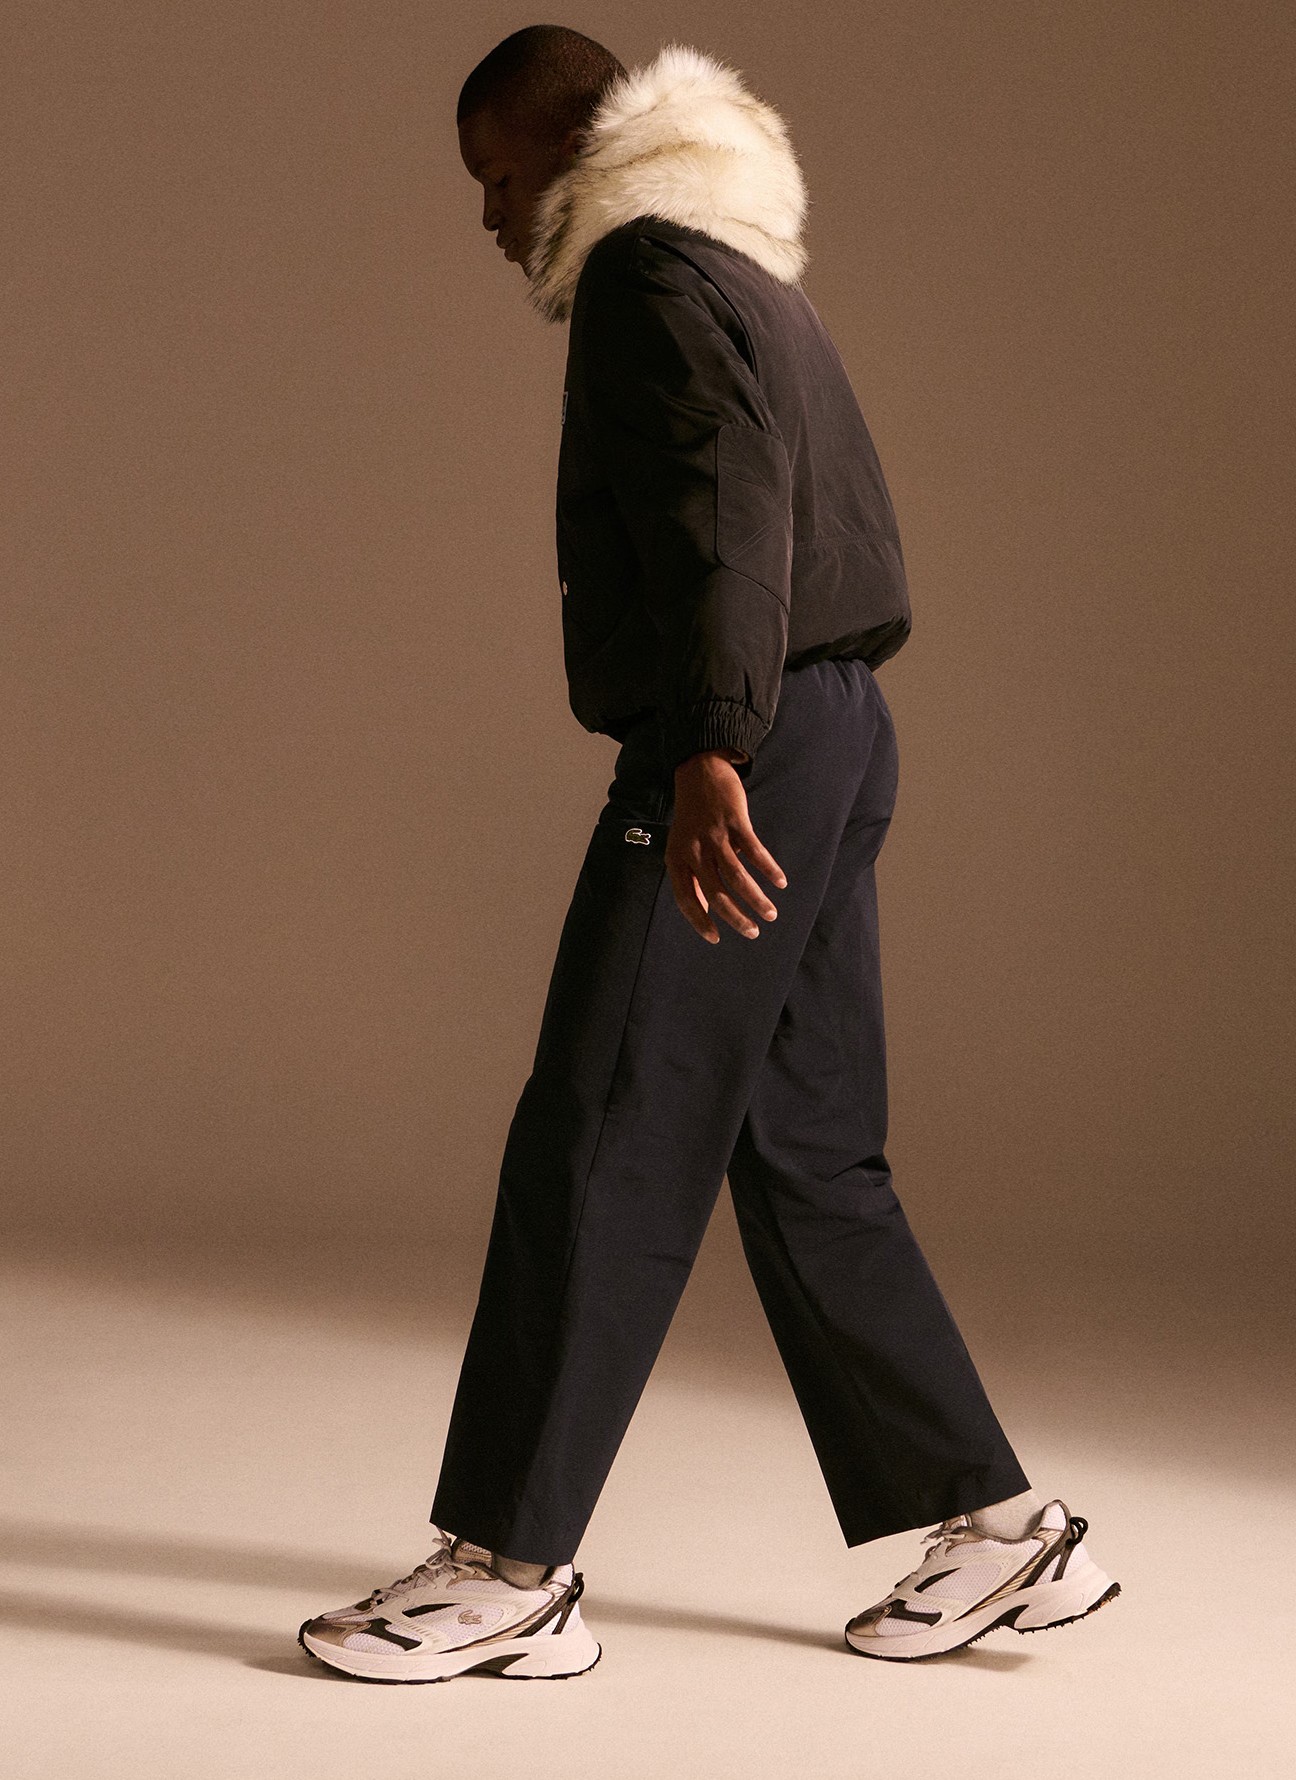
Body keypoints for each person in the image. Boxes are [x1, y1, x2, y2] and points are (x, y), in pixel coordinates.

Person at [298, 26, 1120, 1683]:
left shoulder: (647, 273)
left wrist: (708, 750)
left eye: (497, 177)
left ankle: (508, 1567)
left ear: (566, 144)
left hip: (751, 744)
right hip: (836, 726)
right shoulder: (741, 270)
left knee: (603, 1117)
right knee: (807, 1151)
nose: (489, 217)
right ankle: (998, 1530)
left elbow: (724, 513)